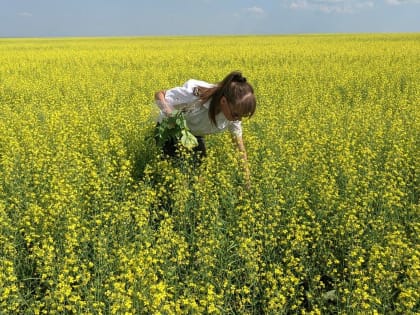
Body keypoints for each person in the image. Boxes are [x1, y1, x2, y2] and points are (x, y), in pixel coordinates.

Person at [154, 70, 256, 187]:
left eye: (242, 116)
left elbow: (239, 147)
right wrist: (169, 113)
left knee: (200, 178)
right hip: (170, 130)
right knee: (179, 181)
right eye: (236, 115)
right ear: (223, 101)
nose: (238, 119)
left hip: (193, 134)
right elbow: (159, 95)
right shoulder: (194, 95)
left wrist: (246, 178)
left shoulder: (234, 115)